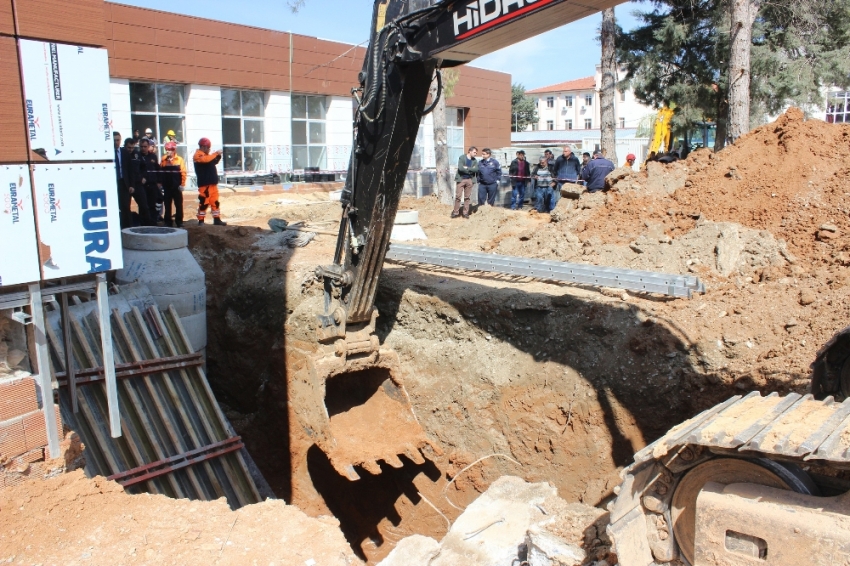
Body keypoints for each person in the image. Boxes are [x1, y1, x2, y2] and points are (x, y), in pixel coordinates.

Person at [117, 137, 151, 228]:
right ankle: (128, 227)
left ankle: (146, 225)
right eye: (129, 148)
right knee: (125, 207)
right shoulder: (121, 154)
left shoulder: (137, 154)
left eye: (132, 148)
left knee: (144, 205)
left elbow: (144, 167)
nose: (130, 150)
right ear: (125, 146)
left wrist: (144, 177)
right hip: (126, 185)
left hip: (138, 183)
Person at [194, 137, 226, 226]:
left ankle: (217, 219)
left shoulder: (207, 155)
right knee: (204, 202)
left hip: (212, 183)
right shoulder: (198, 155)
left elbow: (212, 162)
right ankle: (201, 221)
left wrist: (218, 157)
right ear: (204, 147)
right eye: (208, 148)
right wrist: (216, 153)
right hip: (205, 184)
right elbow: (206, 160)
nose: (209, 150)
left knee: (215, 202)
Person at [160, 141, 187, 227]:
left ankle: (179, 221)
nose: (168, 151)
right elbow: (160, 172)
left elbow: (183, 172)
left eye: (170, 150)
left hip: (176, 187)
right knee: (167, 205)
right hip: (167, 186)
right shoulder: (163, 159)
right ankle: (168, 221)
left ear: (174, 150)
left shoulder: (179, 160)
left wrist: (182, 184)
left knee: (178, 205)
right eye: (167, 150)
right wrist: (160, 184)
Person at [139, 138, 163, 224]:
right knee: (144, 206)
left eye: (145, 146)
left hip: (153, 184)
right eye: (141, 147)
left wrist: (159, 181)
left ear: (148, 146)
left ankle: (154, 219)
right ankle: (144, 223)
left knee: (157, 200)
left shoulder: (153, 156)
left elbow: (157, 169)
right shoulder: (137, 157)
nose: (143, 148)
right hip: (142, 186)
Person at [451, 146, 478, 219]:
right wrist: (471, 169)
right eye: (474, 152)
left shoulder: (475, 160)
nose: (475, 154)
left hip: (470, 180)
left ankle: (465, 213)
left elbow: (476, 170)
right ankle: (455, 212)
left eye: (476, 153)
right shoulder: (462, 158)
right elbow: (461, 168)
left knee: (467, 197)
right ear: (470, 151)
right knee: (458, 197)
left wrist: (468, 168)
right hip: (461, 179)